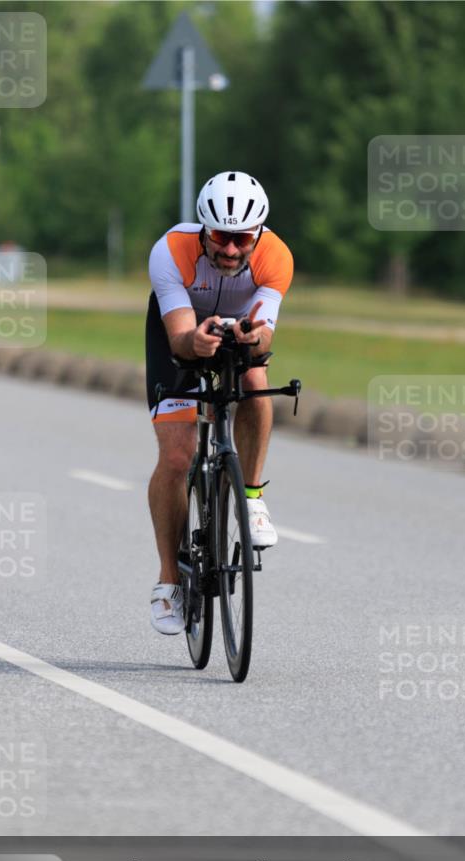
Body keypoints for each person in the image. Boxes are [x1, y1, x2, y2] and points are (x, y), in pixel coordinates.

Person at [146, 171, 294, 634]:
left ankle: (251, 496)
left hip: (240, 327)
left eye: (242, 240)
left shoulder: (276, 256)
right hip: (182, 330)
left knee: (254, 375)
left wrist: (252, 337)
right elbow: (180, 339)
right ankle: (169, 578)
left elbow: (265, 330)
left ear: (259, 235)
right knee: (176, 455)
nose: (230, 250)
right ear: (203, 230)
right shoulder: (170, 250)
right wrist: (197, 340)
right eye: (220, 238)